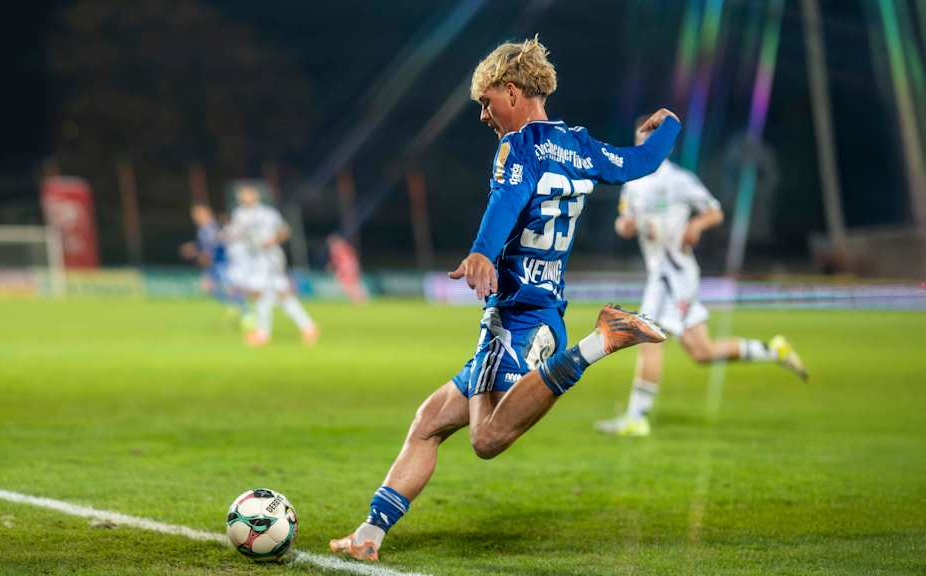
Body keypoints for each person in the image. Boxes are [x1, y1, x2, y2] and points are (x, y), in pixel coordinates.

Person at [329, 36, 682, 562]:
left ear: (512, 91)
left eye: (486, 101)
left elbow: (507, 198)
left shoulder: (520, 147)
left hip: (517, 321)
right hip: (536, 313)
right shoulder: (579, 145)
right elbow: (639, 162)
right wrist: (669, 126)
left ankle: (598, 343)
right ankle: (368, 537)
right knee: (428, 422)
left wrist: (481, 252)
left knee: (485, 440)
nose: (484, 114)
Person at [594, 129, 807, 437]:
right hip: (662, 273)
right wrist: (625, 226)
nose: (642, 145)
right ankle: (773, 350)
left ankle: (636, 418)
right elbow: (623, 223)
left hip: (674, 274)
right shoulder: (633, 182)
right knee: (702, 351)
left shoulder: (678, 179)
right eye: (640, 139)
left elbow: (714, 211)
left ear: (662, 145)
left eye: (648, 139)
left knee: (646, 336)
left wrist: (695, 223)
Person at [224, 185, 317, 346]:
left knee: (261, 292)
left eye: (247, 194)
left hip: (270, 256)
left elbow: (285, 230)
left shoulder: (267, 213)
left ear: (255, 196)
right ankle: (308, 326)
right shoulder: (239, 214)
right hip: (254, 257)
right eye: (242, 195)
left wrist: (272, 241)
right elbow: (235, 234)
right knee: (281, 294)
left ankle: (263, 334)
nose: (243, 197)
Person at [179, 204, 249, 319]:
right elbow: (204, 245)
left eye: (198, 214)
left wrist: (206, 254)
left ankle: (245, 312)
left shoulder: (212, 227)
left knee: (230, 288)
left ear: (206, 213)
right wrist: (194, 248)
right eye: (195, 215)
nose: (196, 217)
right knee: (208, 287)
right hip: (213, 264)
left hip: (221, 262)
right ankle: (233, 306)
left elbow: (217, 243)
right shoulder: (203, 229)